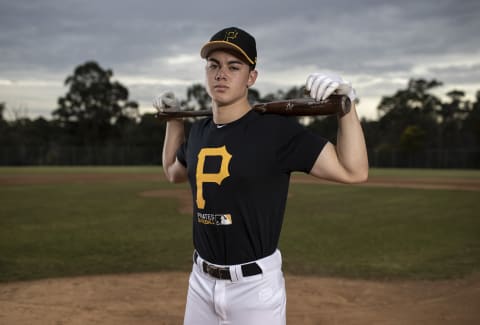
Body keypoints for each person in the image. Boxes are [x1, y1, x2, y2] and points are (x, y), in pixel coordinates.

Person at [154, 26, 368, 325]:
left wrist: (347, 109)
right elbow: (173, 172)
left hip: (254, 289)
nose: (221, 74)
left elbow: (353, 171)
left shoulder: (275, 132)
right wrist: (174, 120)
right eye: (213, 65)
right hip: (200, 284)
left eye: (234, 66)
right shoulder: (200, 131)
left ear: (251, 77)